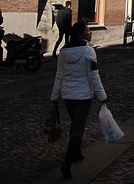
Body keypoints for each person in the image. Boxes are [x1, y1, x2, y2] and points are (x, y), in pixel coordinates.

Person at [50, 20, 107, 180]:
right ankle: (67, 163)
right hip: (82, 96)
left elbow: (59, 76)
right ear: (81, 33)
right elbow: (94, 76)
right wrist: (102, 96)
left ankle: (77, 153)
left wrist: (54, 97)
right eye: (88, 30)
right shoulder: (89, 52)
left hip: (67, 96)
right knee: (78, 129)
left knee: (75, 124)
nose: (90, 32)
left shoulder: (64, 52)